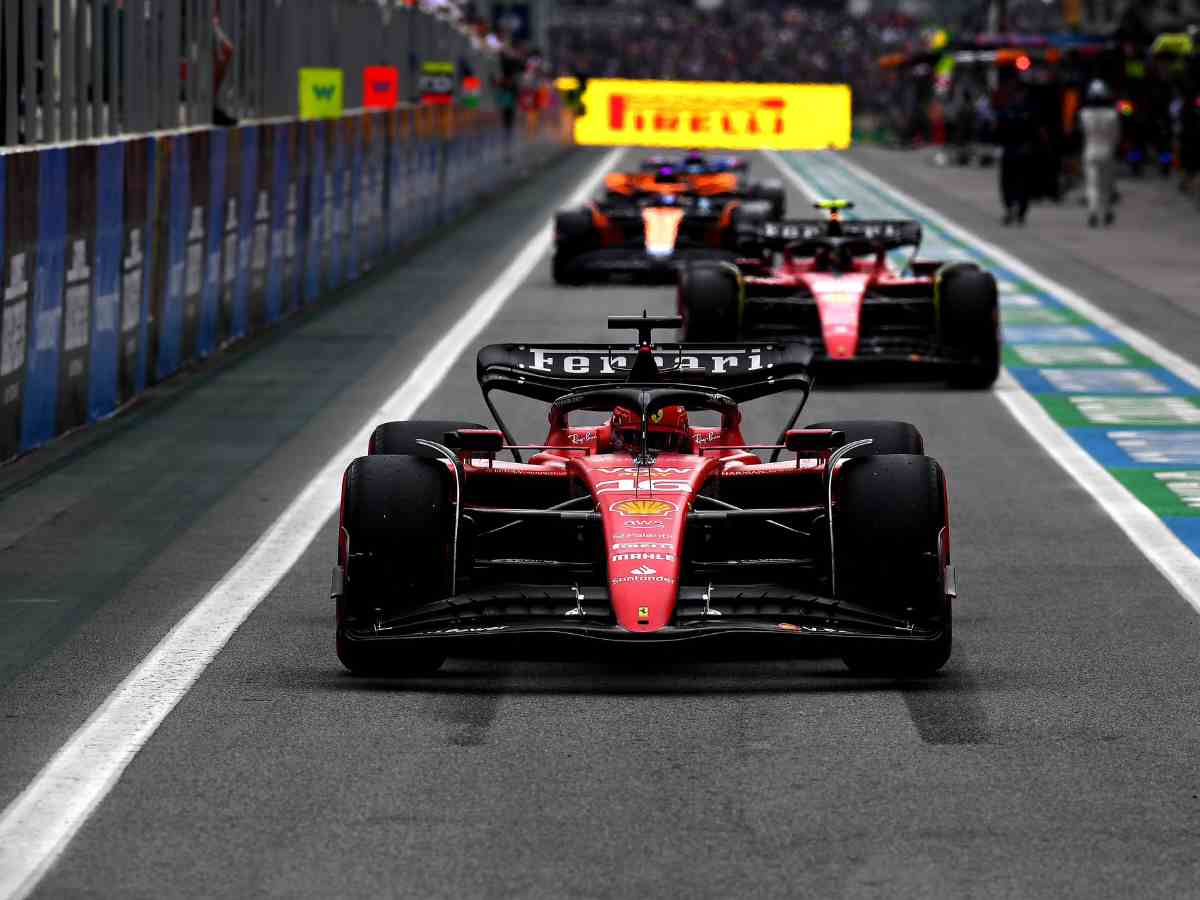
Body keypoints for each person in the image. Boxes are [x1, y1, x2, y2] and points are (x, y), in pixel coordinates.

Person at [995, 80, 1037, 225]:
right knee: (1018, 183)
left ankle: (1014, 210)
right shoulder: (1027, 111)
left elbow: (998, 131)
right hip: (1019, 151)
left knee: (1013, 183)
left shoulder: (1008, 110)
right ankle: (1016, 211)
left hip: (1013, 151)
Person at [1079, 79, 1120, 227]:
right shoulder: (1112, 115)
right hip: (1107, 151)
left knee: (1092, 184)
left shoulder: (1084, 114)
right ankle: (1106, 211)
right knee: (1106, 185)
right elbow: (1116, 135)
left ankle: (1093, 212)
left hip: (1090, 151)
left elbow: (1082, 133)